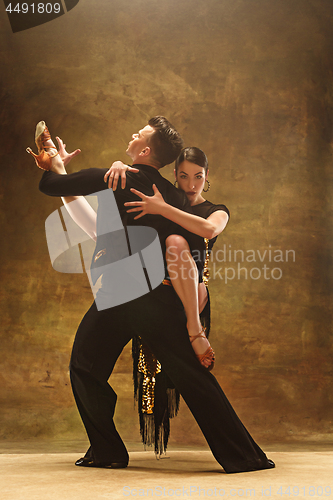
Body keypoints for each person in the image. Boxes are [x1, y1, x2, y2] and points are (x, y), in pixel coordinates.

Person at [29, 118, 275, 473]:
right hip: (152, 297)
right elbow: (103, 230)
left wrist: (53, 162)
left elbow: (51, 186)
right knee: (191, 375)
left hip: (121, 294)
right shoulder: (173, 196)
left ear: (145, 150)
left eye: (139, 134)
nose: (133, 135)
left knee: (85, 366)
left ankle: (108, 451)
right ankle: (244, 455)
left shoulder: (121, 176)